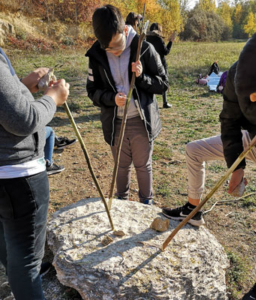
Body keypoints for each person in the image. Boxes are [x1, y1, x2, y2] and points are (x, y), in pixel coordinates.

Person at [162, 27, 256, 299]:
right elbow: (229, 120)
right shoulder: (241, 72)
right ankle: (193, 209)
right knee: (194, 150)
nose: (249, 101)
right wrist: (236, 168)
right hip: (254, 140)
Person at [0, 47, 69, 299]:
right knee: (26, 261)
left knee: (10, 249)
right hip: (16, 175)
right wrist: (53, 97)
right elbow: (22, 119)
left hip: (7, 174)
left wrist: (20, 86)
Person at [86, 5, 168, 204]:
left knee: (143, 165)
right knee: (121, 167)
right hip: (115, 123)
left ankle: (146, 203)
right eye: (108, 49)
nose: (114, 52)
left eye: (117, 45)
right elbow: (92, 91)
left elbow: (163, 84)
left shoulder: (144, 47)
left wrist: (141, 77)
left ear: (124, 30)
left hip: (141, 120)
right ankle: (121, 202)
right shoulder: (96, 55)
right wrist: (111, 99)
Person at [147, 23, 175, 108]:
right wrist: (171, 42)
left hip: (150, 62)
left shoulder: (147, 38)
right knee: (164, 81)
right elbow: (165, 52)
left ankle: (151, 102)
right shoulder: (158, 39)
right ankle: (165, 102)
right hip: (161, 64)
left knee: (150, 82)